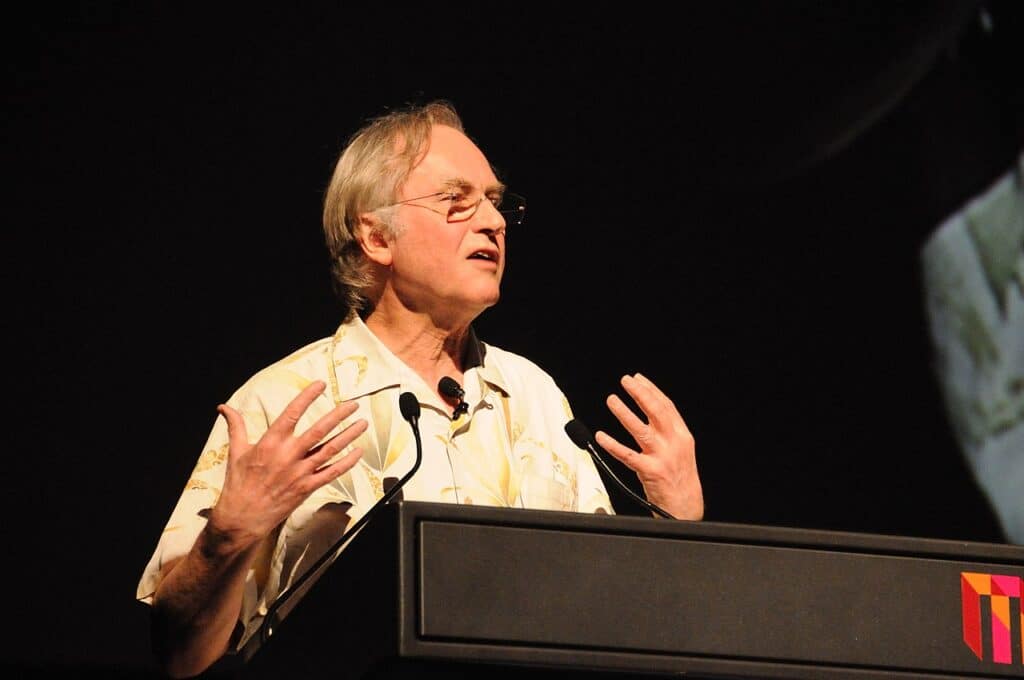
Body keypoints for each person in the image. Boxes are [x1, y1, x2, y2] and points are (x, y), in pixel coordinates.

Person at [137, 100, 704, 678]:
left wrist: (678, 526)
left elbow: (619, 621)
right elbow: (181, 654)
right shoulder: (287, 401)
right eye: (456, 200)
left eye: (495, 201)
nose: (494, 221)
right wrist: (227, 536)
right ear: (376, 236)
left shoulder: (535, 397)